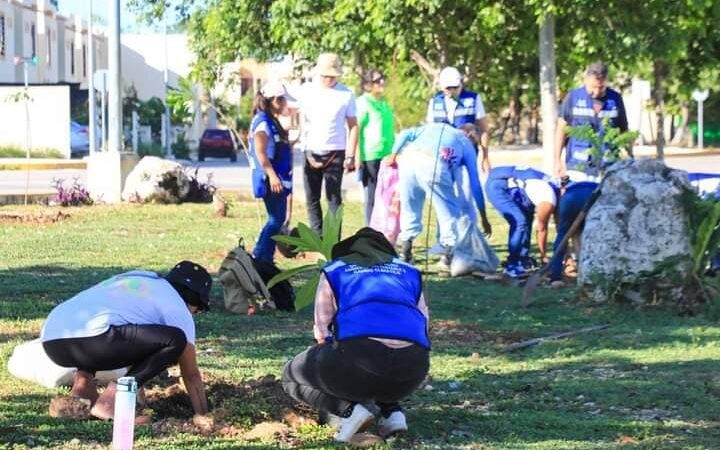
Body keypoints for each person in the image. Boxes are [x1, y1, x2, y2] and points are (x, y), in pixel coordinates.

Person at [281, 228, 430, 443]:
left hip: (360, 360)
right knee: (389, 354)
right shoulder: (409, 271)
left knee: (290, 376)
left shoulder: (335, 270)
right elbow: (423, 326)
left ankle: (349, 412)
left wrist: (332, 366)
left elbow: (322, 332)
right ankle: (392, 413)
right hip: (412, 370)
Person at [40, 261, 211, 422]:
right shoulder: (177, 306)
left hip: (53, 341)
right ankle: (111, 401)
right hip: (92, 340)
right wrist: (204, 414)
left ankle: (81, 394)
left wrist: (142, 401)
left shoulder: (142, 281)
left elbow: (136, 346)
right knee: (175, 340)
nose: (196, 314)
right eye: (199, 309)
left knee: (108, 327)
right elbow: (191, 375)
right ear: (193, 299)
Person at [389, 122, 492, 264]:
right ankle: (447, 258)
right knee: (450, 212)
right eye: (475, 142)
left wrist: (393, 154)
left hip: (408, 160)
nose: (474, 145)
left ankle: (406, 253)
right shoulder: (466, 143)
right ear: (469, 134)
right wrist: (484, 217)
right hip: (433, 165)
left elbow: (405, 133)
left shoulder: (433, 126)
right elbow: (475, 183)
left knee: (410, 209)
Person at [299, 53, 359, 234]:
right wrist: (304, 146)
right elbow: (302, 120)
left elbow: (354, 126)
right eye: (325, 76)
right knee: (312, 198)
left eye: (332, 76)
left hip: (336, 152)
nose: (328, 79)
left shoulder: (346, 94)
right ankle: (317, 239)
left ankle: (333, 241)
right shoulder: (307, 90)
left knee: (333, 199)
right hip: (310, 150)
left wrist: (350, 155)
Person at [554, 61, 629, 180]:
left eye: (601, 87)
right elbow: (561, 129)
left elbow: (624, 132)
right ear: (585, 80)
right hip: (578, 166)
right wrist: (557, 160)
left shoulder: (615, 99)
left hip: (609, 167)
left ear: (606, 81)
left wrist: (628, 157)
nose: (597, 92)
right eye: (593, 87)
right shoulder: (573, 97)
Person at [249, 81, 294, 262]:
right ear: (273, 101)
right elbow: (261, 153)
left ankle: (265, 256)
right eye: (282, 100)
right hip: (271, 179)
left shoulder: (271, 121)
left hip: (278, 178)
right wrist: (273, 176)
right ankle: (260, 255)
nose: (285, 104)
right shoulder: (262, 123)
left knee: (276, 219)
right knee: (276, 220)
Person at [486, 166, 556, 278]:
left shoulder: (550, 188)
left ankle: (523, 258)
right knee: (519, 221)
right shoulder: (548, 198)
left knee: (527, 219)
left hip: (521, 191)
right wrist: (543, 257)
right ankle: (512, 265)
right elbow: (542, 229)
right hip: (498, 187)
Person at [426, 66, 490, 173]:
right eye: (448, 88)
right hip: (441, 158)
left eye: (456, 87)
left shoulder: (473, 99)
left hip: (467, 156)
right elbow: (430, 132)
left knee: (467, 188)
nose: (453, 91)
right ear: (441, 87)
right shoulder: (434, 102)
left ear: (461, 83)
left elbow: (484, 129)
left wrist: (485, 157)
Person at [357, 69, 395, 225]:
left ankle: (384, 230)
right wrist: (357, 156)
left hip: (387, 155)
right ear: (368, 85)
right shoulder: (363, 102)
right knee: (372, 196)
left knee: (387, 194)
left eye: (382, 79)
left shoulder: (384, 102)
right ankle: (369, 231)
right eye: (377, 80)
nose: (382, 83)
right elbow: (356, 130)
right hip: (371, 155)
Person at [549, 180, 599, 285]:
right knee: (591, 237)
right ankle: (589, 273)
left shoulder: (569, 187)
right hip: (592, 195)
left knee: (562, 235)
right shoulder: (596, 183)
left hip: (569, 198)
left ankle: (555, 277)